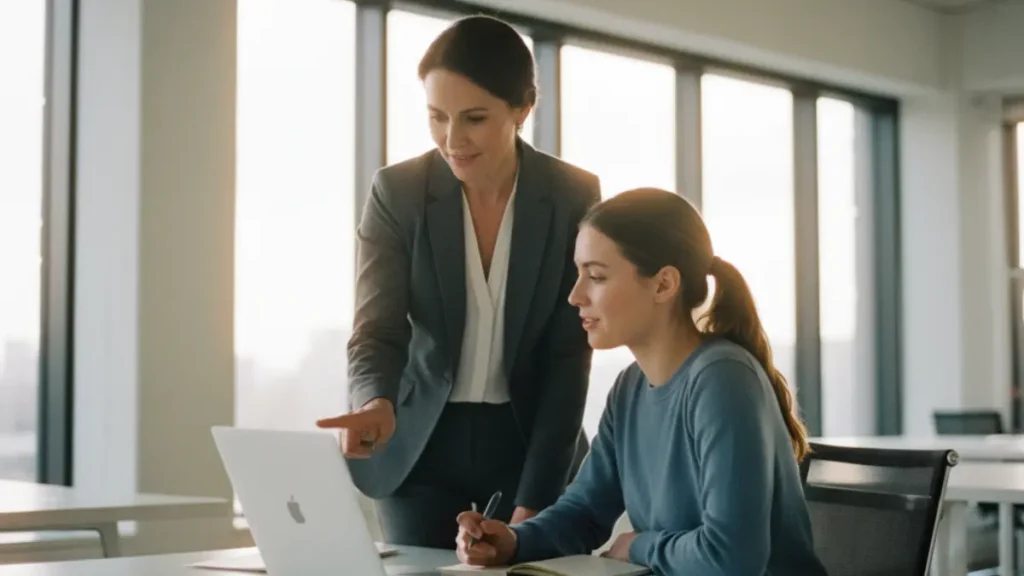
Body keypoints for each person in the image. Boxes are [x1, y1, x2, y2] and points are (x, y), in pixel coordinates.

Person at [314, 15, 601, 549]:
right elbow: (376, 330)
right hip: (419, 444)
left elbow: (568, 358)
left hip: (530, 441)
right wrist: (375, 400)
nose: (453, 140)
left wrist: (536, 499)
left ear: (522, 108)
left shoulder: (571, 196)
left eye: (473, 118)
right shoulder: (397, 193)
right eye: (437, 117)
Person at [454, 188, 828, 575]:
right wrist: (513, 541)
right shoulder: (629, 387)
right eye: (578, 274)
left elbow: (731, 559)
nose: (575, 296)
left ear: (664, 285)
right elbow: (584, 511)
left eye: (596, 276)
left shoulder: (723, 380)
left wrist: (638, 545)